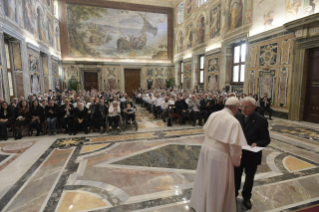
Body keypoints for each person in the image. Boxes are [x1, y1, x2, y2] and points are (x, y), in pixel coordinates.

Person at [190, 97, 247, 212]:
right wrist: (237, 162)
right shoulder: (234, 121)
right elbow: (234, 147)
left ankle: (202, 206)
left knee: (205, 178)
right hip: (220, 156)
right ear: (236, 108)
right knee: (217, 185)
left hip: (206, 149)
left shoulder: (214, 114)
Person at [235, 97, 271, 209]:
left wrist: (257, 143)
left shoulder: (261, 120)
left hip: (252, 154)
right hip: (238, 153)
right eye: (242, 106)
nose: (243, 109)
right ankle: (233, 194)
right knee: (235, 176)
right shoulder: (237, 116)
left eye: (246, 107)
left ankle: (246, 198)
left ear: (254, 107)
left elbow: (266, 139)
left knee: (249, 178)